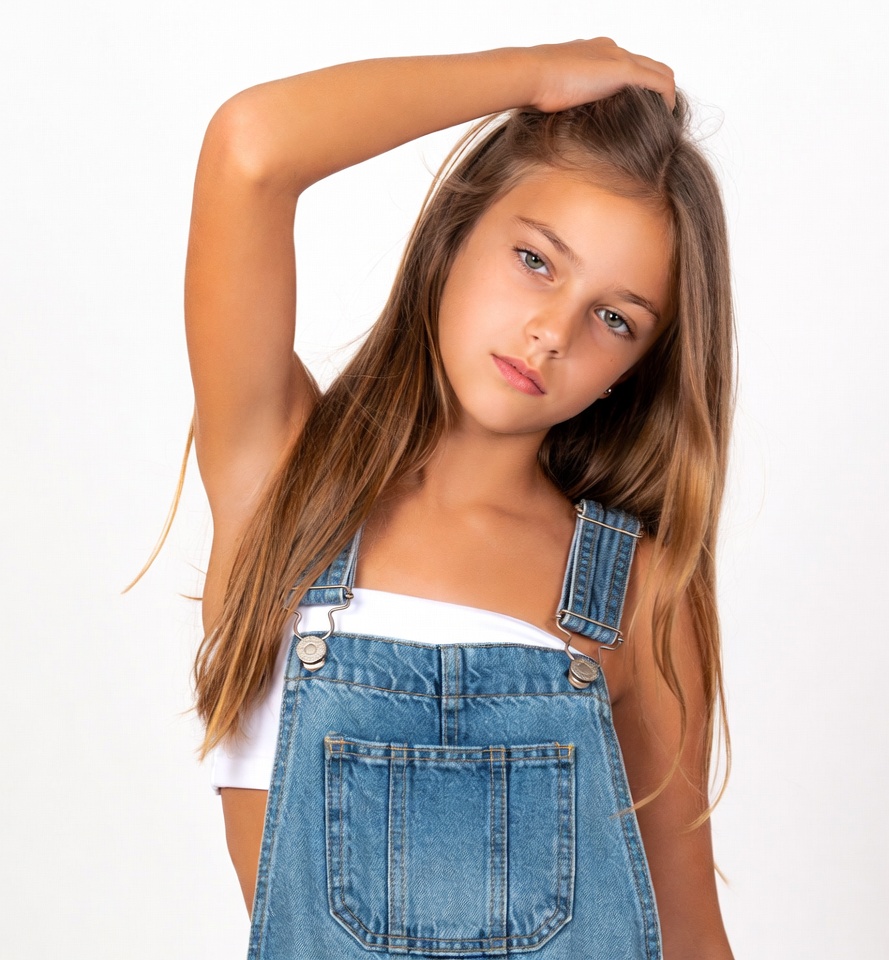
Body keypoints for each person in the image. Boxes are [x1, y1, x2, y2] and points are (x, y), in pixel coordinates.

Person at [181, 39, 735, 959]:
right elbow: (251, 148)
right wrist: (535, 79)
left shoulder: (639, 586)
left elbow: (686, 933)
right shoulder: (282, 486)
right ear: (454, 235)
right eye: (535, 258)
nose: (552, 332)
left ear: (634, 371)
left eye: (614, 318)